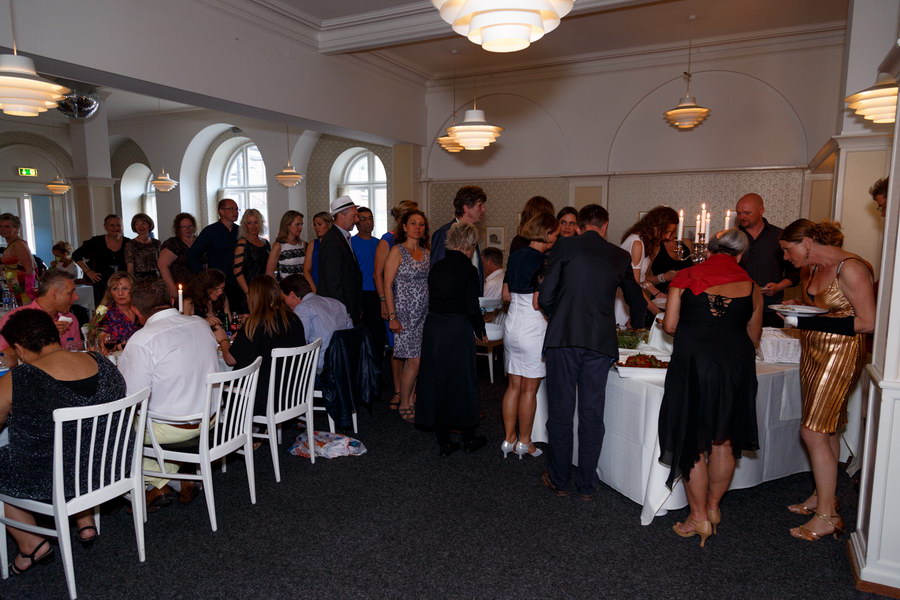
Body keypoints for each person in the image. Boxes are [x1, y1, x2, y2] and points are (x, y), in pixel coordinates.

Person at [657, 228, 763, 547]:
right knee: (724, 440)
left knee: (692, 439)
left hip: (694, 364)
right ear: (740, 255)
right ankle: (714, 508)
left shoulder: (685, 276)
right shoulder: (753, 286)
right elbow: (754, 337)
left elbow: (670, 325)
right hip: (735, 366)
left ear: (711, 249)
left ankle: (698, 516)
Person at [0, 309, 127, 570]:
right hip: (109, 466)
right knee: (75, 440)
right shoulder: (103, 363)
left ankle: (31, 544)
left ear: (19, 348)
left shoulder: (20, 379)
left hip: (56, 479)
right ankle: (84, 520)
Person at [538, 204, 646, 499]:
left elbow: (546, 295)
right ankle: (586, 484)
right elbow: (636, 298)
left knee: (560, 411)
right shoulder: (619, 255)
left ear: (580, 225)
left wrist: (557, 315)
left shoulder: (565, 246)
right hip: (599, 342)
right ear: (605, 225)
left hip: (564, 338)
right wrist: (638, 324)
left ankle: (559, 480)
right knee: (592, 413)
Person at [779, 219, 875, 542]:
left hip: (841, 354)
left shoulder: (851, 268)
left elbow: (867, 322)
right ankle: (825, 497)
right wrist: (799, 308)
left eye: (787, 250)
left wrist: (808, 323)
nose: (786, 257)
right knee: (827, 427)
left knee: (813, 431)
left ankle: (827, 517)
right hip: (814, 353)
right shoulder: (813, 268)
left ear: (807, 242)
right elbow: (824, 310)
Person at [118, 278, 221, 509]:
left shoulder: (142, 340)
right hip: (210, 418)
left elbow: (130, 397)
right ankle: (173, 479)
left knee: (109, 431)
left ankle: (162, 482)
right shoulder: (200, 323)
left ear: (136, 310)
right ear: (172, 300)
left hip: (173, 429)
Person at [416, 222, 487, 456]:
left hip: (435, 328)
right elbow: (472, 306)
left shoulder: (436, 267)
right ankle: (469, 438)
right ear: (469, 245)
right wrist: (480, 330)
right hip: (457, 329)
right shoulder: (468, 270)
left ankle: (444, 441)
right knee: (463, 383)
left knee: (439, 382)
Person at [501, 213, 558, 459]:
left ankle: (508, 439)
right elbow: (538, 302)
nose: (556, 238)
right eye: (555, 234)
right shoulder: (544, 261)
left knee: (513, 386)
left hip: (512, 323)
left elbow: (505, 295)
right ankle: (525, 442)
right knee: (529, 390)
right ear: (547, 234)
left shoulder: (515, 256)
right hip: (533, 326)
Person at [220, 275, 305, 415]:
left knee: (217, 388)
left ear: (254, 297)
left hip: (263, 399)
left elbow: (230, 359)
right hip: (293, 394)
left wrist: (223, 340)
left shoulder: (256, 323)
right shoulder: (293, 318)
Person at [384, 209, 430, 423]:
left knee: (419, 359)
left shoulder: (426, 252)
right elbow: (387, 284)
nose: (417, 227)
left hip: (424, 312)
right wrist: (392, 315)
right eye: (413, 223)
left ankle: (411, 398)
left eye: (421, 224)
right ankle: (404, 402)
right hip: (404, 312)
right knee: (414, 359)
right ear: (404, 227)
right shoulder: (397, 251)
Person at [375, 200, 418, 409]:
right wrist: (384, 302)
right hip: (394, 302)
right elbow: (378, 274)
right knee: (397, 348)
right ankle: (398, 391)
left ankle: (411, 392)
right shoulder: (388, 240)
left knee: (413, 350)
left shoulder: (417, 243)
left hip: (415, 307)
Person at [735, 193, 800, 327]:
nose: (742, 217)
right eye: (739, 213)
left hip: (770, 308)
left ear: (761, 211)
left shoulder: (779, 236)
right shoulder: (732, 237)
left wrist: (778, 286)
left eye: (747, 213)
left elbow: (795, 273)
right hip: (738, 306)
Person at [614, 206, 680, 328]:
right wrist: (657, 312)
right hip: (625, 301)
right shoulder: (637, 243)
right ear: (655, 226)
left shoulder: (643, 241)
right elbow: (634, 285)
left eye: (670, 233)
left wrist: (657, 293)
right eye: (666, 232)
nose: (667, 237)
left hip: (631, 298)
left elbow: (641, 278)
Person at [279, 274, 353, 373]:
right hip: (345, 365)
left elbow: (299, 344)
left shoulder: (302, 308)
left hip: (321, 370)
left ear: (292, 295)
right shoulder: (336, 302)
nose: (284, 304)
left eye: (284, 299)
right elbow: (351, 333)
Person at [0, 269, 82, 355]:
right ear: (53, 294)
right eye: (70, 293)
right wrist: (39, 337)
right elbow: (2, 357)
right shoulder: (15, 319)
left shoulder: (70, 319)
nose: (76, 297)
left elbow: (77, 354)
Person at [431, 186, 487, 293]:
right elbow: (437, 273)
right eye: (480, 205)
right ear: (466, 208)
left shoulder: (472, 234)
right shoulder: (444, 233)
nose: (484, 209)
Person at [188, 198, 240, 309]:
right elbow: (192, 255)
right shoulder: (210, 231)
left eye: (236, 209)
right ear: (221, 211)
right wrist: (204, 276)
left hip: (238, 282)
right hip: (217, 284)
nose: (235, 212)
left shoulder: (240, 231)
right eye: (231, 209)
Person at [317, 196, 362, 323]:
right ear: (341, 215)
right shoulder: (333, 241)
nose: (357, 220)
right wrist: (344, 311)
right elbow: (333, 282)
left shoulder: (341, 237)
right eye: (354, 216)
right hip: (340, 309)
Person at [73, 214, 129, 305]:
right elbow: (76, 255)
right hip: (101, 284)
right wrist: (88, 271)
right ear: (105, 227)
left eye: (118, 225)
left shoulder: (128, 243)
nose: (115, 228)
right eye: (112, 225)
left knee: (122, 307)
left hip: (122, 285)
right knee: (102, 309)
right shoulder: (96, 241)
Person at [352, 207, 383, 355]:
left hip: (378, 293)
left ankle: (377, 366)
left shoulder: (380, 244)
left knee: (377, 335)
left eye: (370, 218)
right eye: (363, 219)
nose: (368, 222)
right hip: (359, 294)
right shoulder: (351, 243)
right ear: (357, 222)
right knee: (359, 334)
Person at [90, 272, 140, 351]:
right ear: (110, 293)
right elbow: (102, 346)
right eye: (115, 289)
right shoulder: (105, 314)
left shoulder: (142, 311)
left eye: (125, 288)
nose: (120, 293)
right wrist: (118, 347)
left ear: (134, 290)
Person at [233, 208, 271, 313]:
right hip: (247, 290)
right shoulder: (242, 243)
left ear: (260, 224)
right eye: (249, 223)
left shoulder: (266, 243)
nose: (253, 226)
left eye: (256, 222)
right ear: (245, 226)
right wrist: (248, 293)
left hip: (264, 289)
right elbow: (237, 271)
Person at [158, 212, 197, 301]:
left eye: (190, 226)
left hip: (198, 288)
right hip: (179, 288)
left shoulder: (199, 241)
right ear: (178, 229)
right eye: (184, 227)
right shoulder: (173, 243)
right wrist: (173, 290)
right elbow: (162, 266)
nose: (187, 229)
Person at [0, 213, 37, 304]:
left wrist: (28, 291)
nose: (2, 229)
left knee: (26, 310)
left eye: (7, 226)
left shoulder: (19, 245)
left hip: (23, 289)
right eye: (0, 226)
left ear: (16, 228)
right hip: (15, 287)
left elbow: (30, 269)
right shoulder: (12, 244)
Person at [265, 210, 306, 280]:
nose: (300, 228)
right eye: (297, 224)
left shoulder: (302, 244)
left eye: (301, 224)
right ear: (288, 225)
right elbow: (269, 273)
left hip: (301, 285)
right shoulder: (278, 246)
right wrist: (279, 287)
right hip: (285, 285)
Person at [125, 213, 160, 280]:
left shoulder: (157, 243)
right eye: (137, 224)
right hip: (138, 280)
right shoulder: (130, 244)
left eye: (144, 223)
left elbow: (160, 264)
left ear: (149, 225)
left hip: (155, 278)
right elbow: (130, 269)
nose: (141, 227)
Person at [303, 211, 332, 292]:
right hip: (316, 286)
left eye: (319, 224)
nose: (316, 227)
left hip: (334, 287)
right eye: (315, 225)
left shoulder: (336, 243)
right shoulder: (313, 244)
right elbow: (306, 271)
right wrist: (315, 290)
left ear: (328, 224)